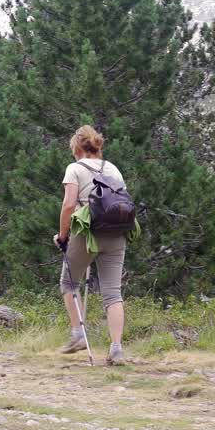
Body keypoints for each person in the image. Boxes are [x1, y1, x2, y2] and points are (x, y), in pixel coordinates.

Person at [54, 125, 128, 365]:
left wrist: (62, 235)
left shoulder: (74, 169)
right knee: (112, 293)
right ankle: (116, 349)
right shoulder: (113, 169)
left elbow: (68, 205)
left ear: (77, 147)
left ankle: (78, 334)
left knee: (69, 282)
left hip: (87, 232)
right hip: (116, 233)